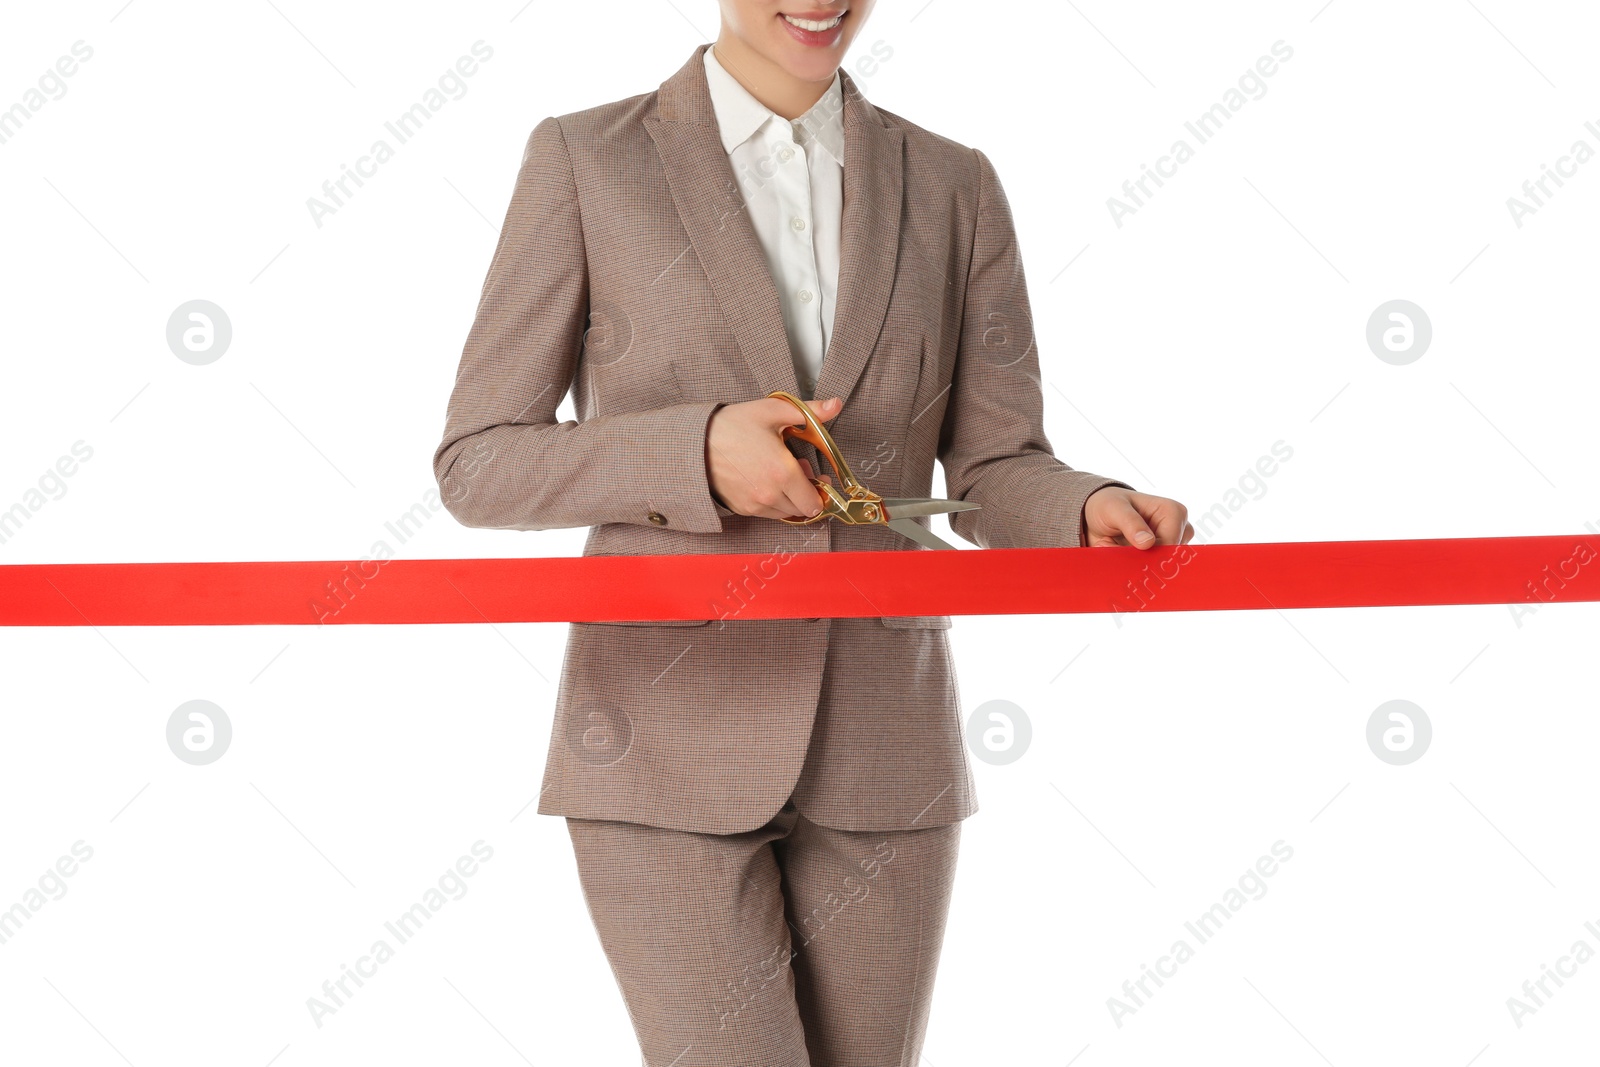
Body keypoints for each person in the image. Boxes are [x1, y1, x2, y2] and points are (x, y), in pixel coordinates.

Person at [432, 2, 1193, 1063]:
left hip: (886, 740)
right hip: (664, 733)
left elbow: (991, 465)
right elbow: (478, 460)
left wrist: (1079, 507)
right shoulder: (584, 159)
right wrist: (694, 453)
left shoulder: (952, 181)